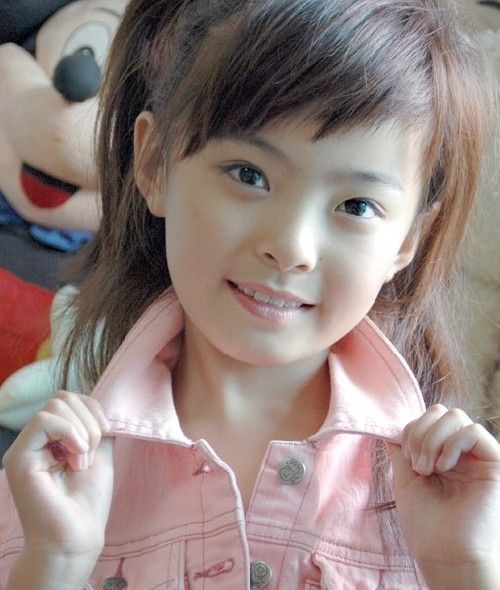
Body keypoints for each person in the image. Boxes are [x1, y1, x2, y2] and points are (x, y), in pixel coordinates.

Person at [1, 0, 499, 587]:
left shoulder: (456, 499)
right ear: (155, 164)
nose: (291, 248)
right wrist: (55, 563)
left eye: (357, 206)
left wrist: (463, 570)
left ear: (409, 238)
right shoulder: (57, 474)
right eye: (248, 174)